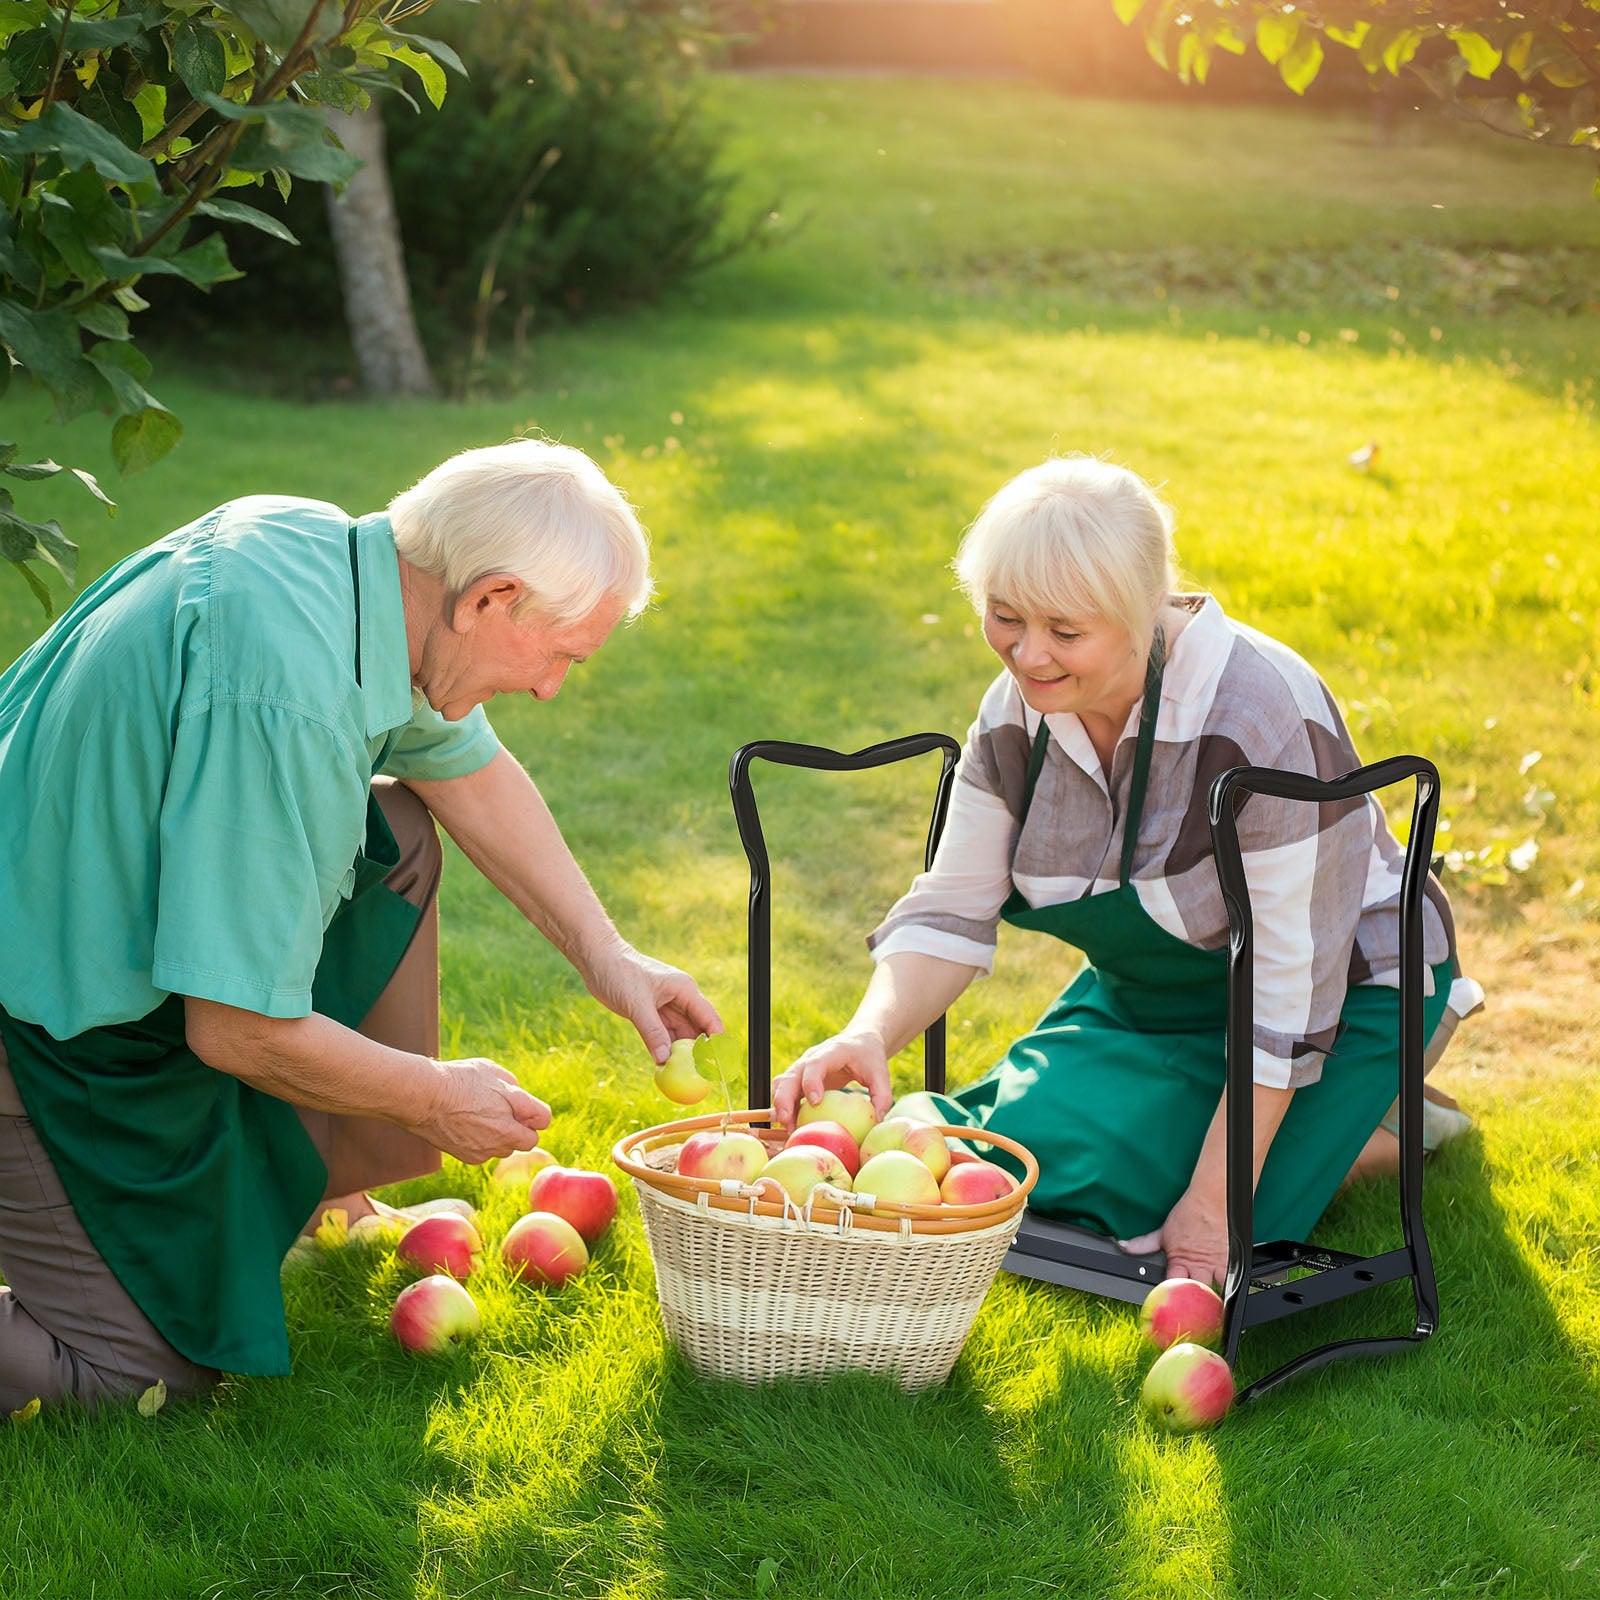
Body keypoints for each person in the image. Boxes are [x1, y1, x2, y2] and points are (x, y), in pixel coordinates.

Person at [0, 440, 720, 1412]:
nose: (551, 688)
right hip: (42, 1017)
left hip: (84, 927)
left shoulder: (334, 562)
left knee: (401, 832)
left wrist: (607, 953)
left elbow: (467, 771)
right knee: (137, 1377)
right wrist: (427, 1096)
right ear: (490, 600)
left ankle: (326, 1198)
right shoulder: (289, 698)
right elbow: (235, 1028)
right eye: (559, 655)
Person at [774, 456, 1480, 1288]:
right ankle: (1276, 1125)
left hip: (1347, 996)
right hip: (1155, 994)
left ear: (1143, 609)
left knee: (1183, 1208)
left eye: (1065, 631)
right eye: (1004, 617)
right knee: (1028, 1162)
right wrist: (870, 1031)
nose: (1027, 654)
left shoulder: (1259, 715)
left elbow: (1291, 985)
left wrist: (1214, 1206)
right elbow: (952, 910)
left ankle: (1387, 1127)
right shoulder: (1015, 717)